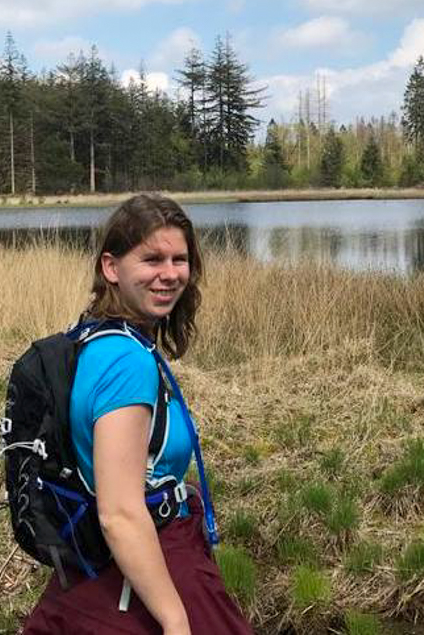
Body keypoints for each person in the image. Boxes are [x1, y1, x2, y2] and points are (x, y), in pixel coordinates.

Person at [23, 194, 253, 635]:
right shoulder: (126, 362)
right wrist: (175, 619)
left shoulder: (88, 338)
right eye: (151, 259)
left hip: (97, 565)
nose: (170, 274)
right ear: (112, 268)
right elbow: (120, 511)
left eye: (179, 259)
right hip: (150, 559)